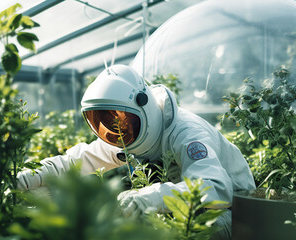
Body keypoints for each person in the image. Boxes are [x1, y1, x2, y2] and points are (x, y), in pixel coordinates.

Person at [17, 64, 255, 239]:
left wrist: (147, 198)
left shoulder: (186, 134)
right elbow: (77, 161)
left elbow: (217, 190)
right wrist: (30, 175)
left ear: (143, 104)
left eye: (122, 119)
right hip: (184, 208)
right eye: (106, 121)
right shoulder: (130, 135)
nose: (118, 130)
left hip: (238, 212)